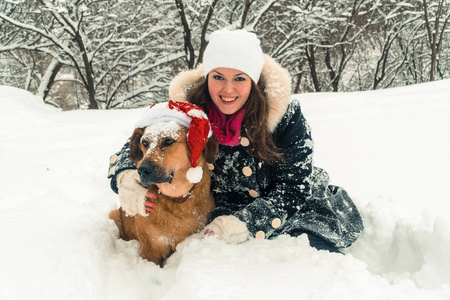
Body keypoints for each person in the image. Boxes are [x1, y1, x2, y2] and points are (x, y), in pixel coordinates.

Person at [108, 29, 364, 252]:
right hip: (218, 213)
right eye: (218, 77)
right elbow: (141, 142)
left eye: (239, 79)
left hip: (284, 209)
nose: (227, 90)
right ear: (207, 78)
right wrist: (126, 177)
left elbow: (293, 188)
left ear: (253, 81)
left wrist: (247, 222)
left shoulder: (284, 116)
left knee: (310, 259)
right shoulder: (187, 112)